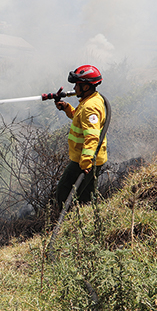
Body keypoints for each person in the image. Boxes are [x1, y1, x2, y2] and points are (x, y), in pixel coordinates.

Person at [54, 64, 108, 210]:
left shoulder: (90, 106)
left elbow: (92, 136)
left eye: (77, 85)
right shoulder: (89, 101)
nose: (74, 88)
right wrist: (66, 108)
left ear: (85, 87)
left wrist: (85, 162)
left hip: (85, 160)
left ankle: (67, 222)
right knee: (85, 195)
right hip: (88, 159)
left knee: (64, 192)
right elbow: (80, 118)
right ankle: (85, 220)